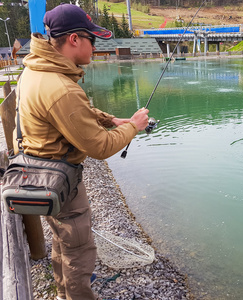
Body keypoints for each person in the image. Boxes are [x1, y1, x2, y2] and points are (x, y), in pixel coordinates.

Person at [14, 3, 149, 300]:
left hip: (39, 175)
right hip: (60, 181)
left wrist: (110, 119)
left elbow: (74, 111)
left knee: (63, 241)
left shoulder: (38, 69)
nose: (95, 46)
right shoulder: (60, 87)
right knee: (79, 249)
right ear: (74, 39)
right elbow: (100, 147)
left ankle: (63, 293)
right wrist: (134, 126)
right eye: (93, 39)